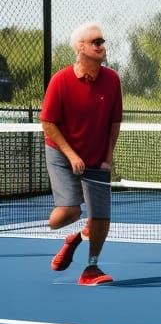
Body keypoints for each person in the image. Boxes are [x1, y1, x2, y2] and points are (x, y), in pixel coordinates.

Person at [40, 23, 123, 286]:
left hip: (96, 155)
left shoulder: (112, 80)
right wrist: (72, 155)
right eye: (96, 42)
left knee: (101, 217)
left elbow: (114, 122)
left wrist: (108, 156)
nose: (102, 46)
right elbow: (48, 122)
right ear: (80, 48)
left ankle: (91, 269)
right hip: (61, 152)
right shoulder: (60, 80)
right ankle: (70, 231)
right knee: (68, 214)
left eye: (103, 41)